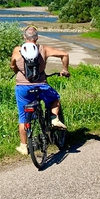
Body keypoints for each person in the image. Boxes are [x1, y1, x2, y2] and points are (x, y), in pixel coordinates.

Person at [9, 26, 70, 156]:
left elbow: (12, 66)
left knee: (23, 117)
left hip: (22, 88)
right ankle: (54, 118)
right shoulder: (44, 49)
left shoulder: (17, 50)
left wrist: (18, 73)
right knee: (54, 98)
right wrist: (65, 69)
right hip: (41, 85)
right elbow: (65, 54)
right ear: (36, 38)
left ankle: (24, 146)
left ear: (24, 37)